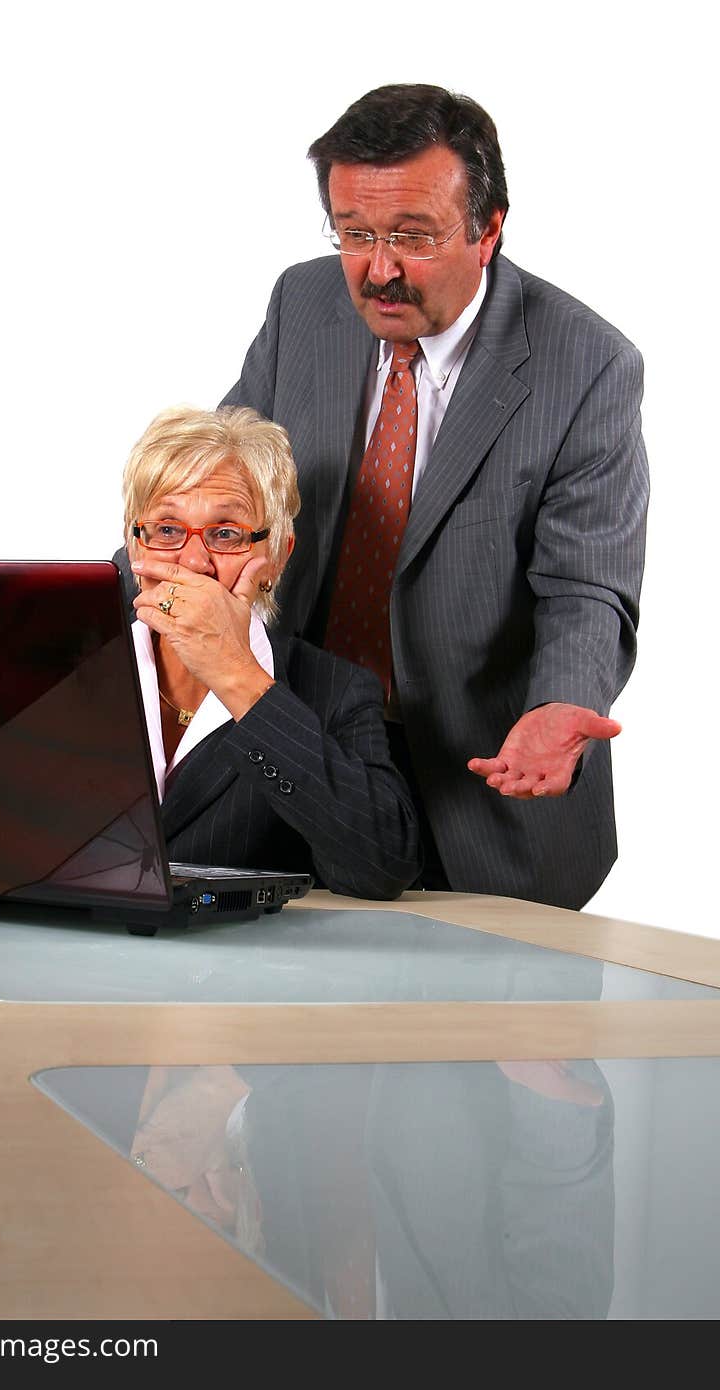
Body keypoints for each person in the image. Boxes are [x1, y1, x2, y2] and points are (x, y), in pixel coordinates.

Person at [213, 82, 650, 911]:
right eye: (355, 233)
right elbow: (226, 480)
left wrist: (564, 704)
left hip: (483, 785)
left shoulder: (586, 365)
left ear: (487, 230)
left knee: (466, 1038)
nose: (379, 269)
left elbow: (586, 586)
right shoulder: (302, 304)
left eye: (412, 236)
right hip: (302, 754)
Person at [120, 402, 421, 900]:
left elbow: (382, 866)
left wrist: (238, 677)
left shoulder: (337, 691)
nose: (194, 561)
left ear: (277, 555)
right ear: (135, 547)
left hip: (239, 970)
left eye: (225, 534)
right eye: (168, 529)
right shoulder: (68, 667)